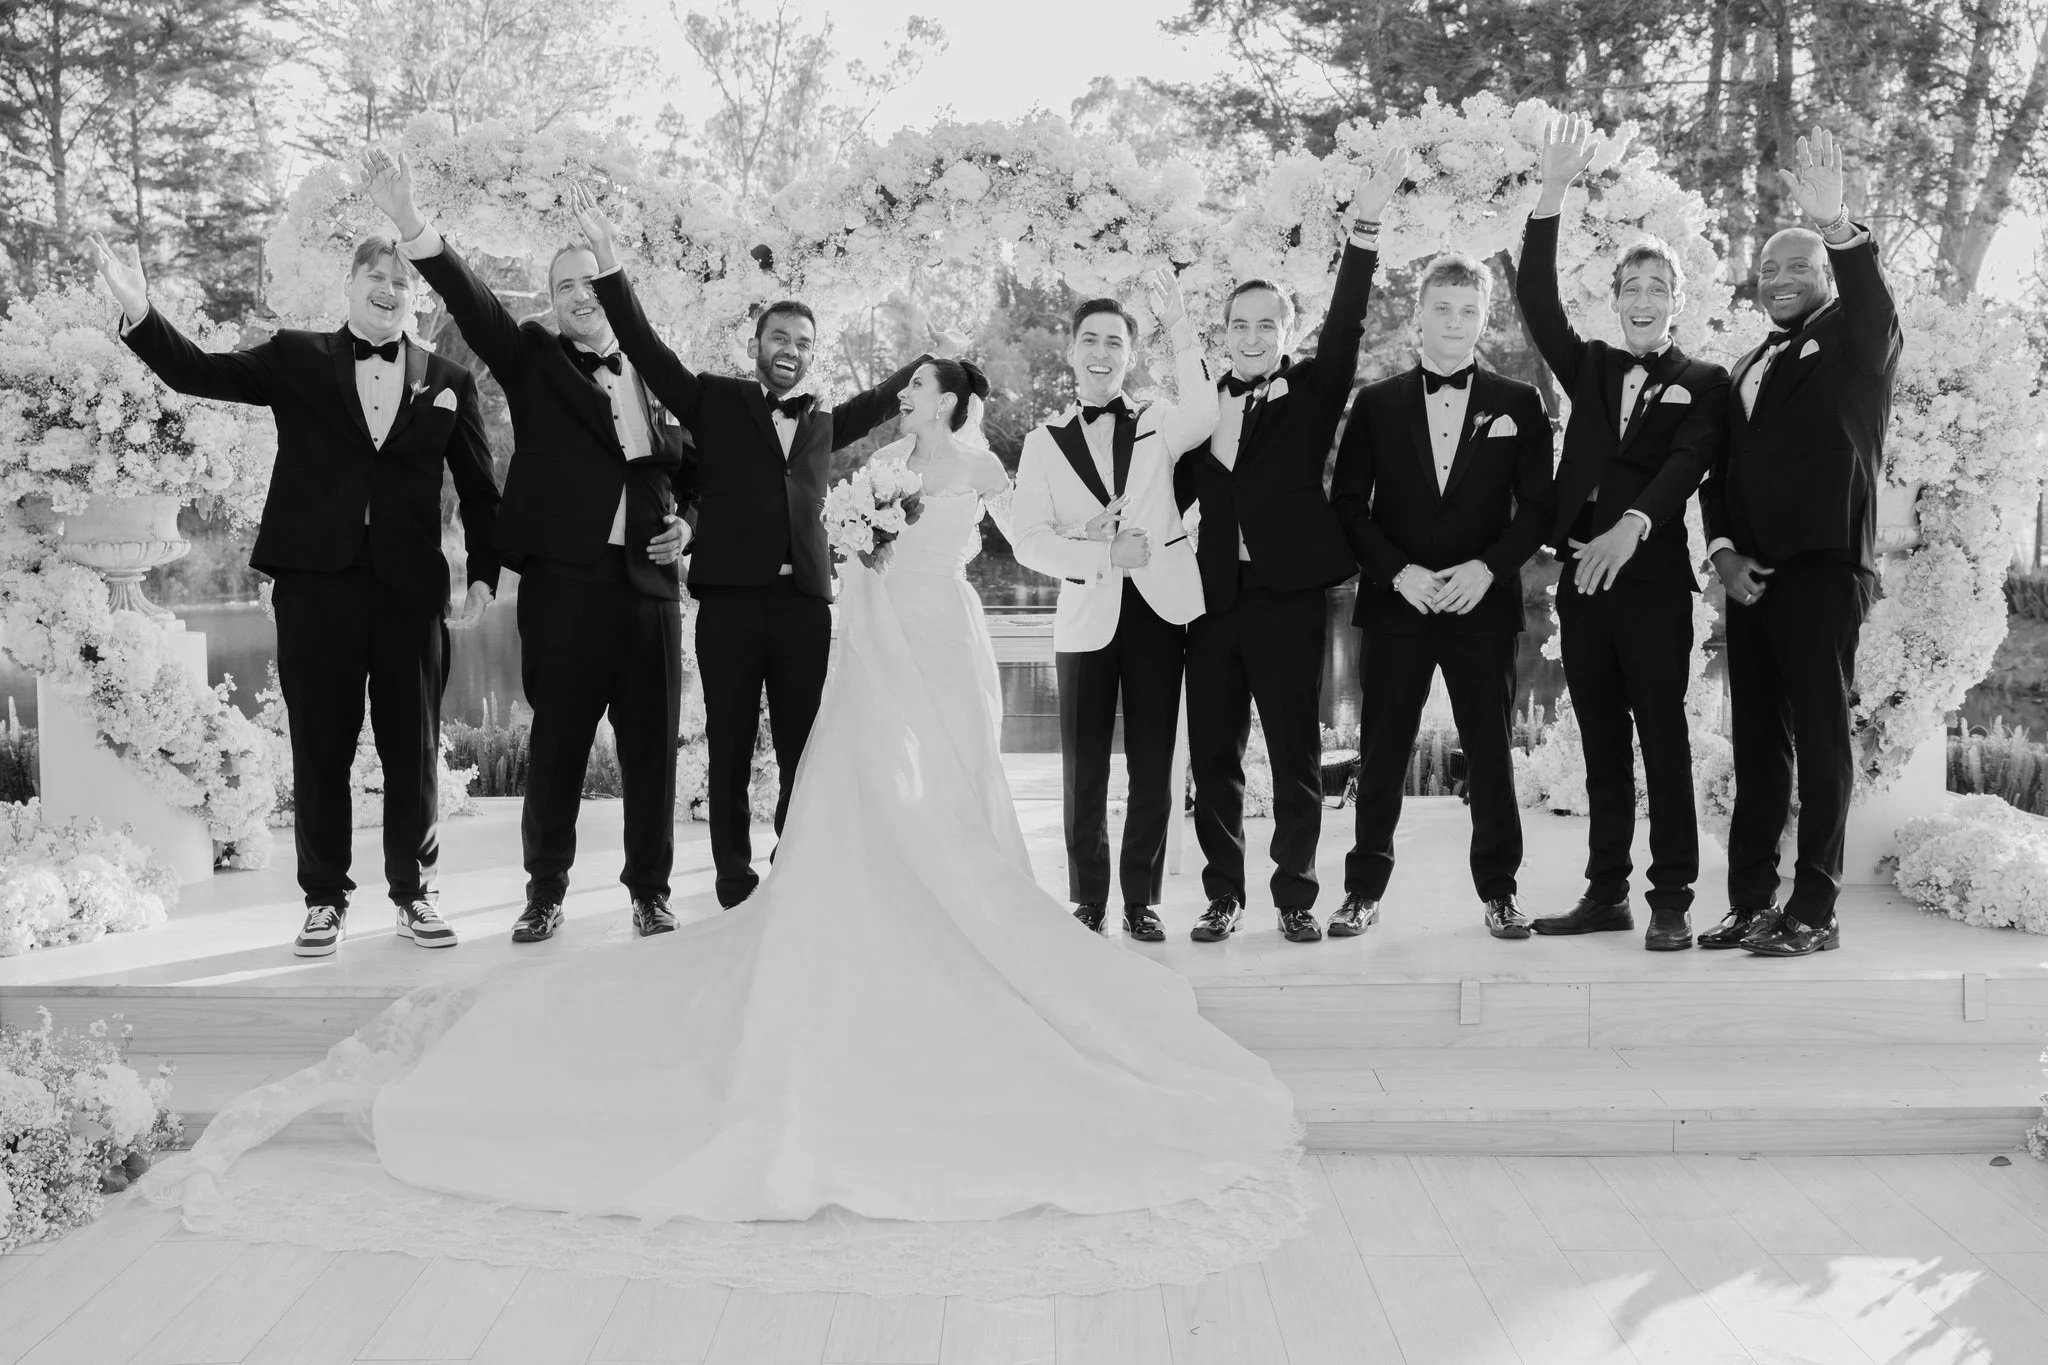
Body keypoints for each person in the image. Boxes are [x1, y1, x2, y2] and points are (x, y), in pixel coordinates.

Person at [148, 349, 1307, 1298]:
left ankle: (957, 905)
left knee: (944, 789)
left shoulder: (975, 457)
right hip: (871, 642)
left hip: (935, 643)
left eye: (913, 389)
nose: (897, 398)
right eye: (898, 393)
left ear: (950, 399)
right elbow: (839, 525)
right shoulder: (888, 460)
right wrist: (858, 546)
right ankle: (855, 910)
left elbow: (1003, 541)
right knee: (846, 792)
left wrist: (1047, 541)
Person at [91, 231, 499, 959]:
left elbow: (478, 490)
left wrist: (487, 574)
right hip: (316, 587)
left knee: (413, 750)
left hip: (409, 594)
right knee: (320, 749)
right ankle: (323, 901)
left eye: (402, 279)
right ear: (349, 287)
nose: (389, 285)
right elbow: (197, 373)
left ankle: (414, 895)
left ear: (416, 298)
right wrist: (140, 312)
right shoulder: (296, 357)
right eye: (375, 274)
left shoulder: (448, 381)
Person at [567, 185, 943, 910]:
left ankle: (795, 859)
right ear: (756, 345)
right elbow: (646, 345)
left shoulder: (825, 419)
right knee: (732, 746)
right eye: (780, 339)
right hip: (732, 603)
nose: (791, 352)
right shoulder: (713, 398)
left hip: (804, 603)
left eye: (804, 344)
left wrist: (932, 355)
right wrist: (611, 265)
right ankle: (734, 879)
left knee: (803, 746)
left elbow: (889, 401)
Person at [361, 149, 691, 945]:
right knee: (557, 754)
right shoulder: (535, 360)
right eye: (564, 286)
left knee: (652, 757)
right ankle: (545, 893)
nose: (580, 295)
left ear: (615, 285)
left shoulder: (652, 367)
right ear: (549, 303)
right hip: (565, 590)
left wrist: (693, 525)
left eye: (591, 280)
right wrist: (412, 225)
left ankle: (650, 890)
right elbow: (472, 305)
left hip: (650, 592)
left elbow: (703, 461)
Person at [1175, 146, 1410, 945]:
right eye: (1237, 325)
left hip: (1288, 597)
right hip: (1208, 601)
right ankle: (1223, 895)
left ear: (1286, 333)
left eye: (1265, 325)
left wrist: (1365, 230)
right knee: (1214, 759)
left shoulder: (1310, 391)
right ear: (1223, 334)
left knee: (1293, 755)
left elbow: (1348, 322)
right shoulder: (1198, 402)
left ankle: (1295, 895)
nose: (1249, 336)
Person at [1515, 115, 1732, 952]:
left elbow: (1687, 463)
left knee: (1662, 739)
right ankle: (1604, 893)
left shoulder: (1705, 384)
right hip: (1583, 582)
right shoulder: (1595, 367)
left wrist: (1630, 530)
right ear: (1617, 300)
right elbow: (1536, 301)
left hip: (1646, 586)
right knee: (1600, 740)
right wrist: (1554, 192)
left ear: (1676, 303)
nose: (1643, 300)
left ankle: (1671, 896)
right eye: (1631, 288)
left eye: (1657, 289)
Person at [1699, 127, 1902, 958]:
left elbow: (1877, 309)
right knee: (1758, 748)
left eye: (1799, 266)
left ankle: (1814, 909)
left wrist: (1840, 228)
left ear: (1826, 277)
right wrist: (1719, 555)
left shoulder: (1855, 345)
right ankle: (1752, 901)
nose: (1780, 279)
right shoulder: (1746, 362)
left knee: (1822, 746)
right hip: (1750, 580)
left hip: (1824, 570)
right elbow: (1718, 469)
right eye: (1769, 270)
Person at [1331, 252, 1555, 939]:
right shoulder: (1374, 402)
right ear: (1419, 316)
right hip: (1397, 604)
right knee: (1384, 752)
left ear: (1484, 317)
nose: (1455, 322)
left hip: (1480, 606)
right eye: (1442, 308)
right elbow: (1348, 503)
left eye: (1468, 310)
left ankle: (1501, 893)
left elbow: (1538, 509)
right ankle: (1362, 891)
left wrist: (1487, 569)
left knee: (1491, 753)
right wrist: (1399, 572)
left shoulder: (1520, 405)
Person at [1009, 281, 1214, 940]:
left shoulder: (1160, 419)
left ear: (1131, 355)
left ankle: (1141, 899)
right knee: (1084, 766)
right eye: (1090, 340)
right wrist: (1097, 552)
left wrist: (1180, 327)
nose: (1102, 353)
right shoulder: (1041, 442)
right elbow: (1027, 541)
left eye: (1115, 343)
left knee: (1152, 762)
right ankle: (1089, 898)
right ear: (1070, 352)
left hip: (1158, 612)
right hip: (1084, 618)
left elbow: (1208, 410)